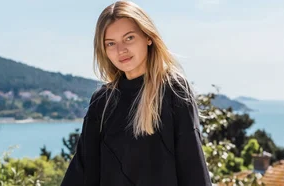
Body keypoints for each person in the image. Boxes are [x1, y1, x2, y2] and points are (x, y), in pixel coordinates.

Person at [61, 1, 212, 185]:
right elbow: (83, 171)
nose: (121, 50)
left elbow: (193, 168)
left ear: (148, 37)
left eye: (129, 38)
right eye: (110, 43)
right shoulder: (102, 101)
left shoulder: (173, 90)